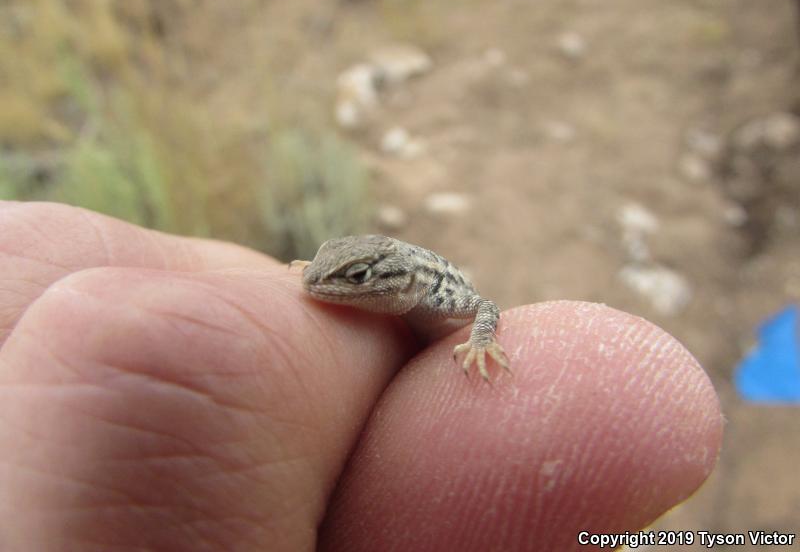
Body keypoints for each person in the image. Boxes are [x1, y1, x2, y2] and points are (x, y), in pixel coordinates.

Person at [0, 202, 722, 551]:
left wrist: (481, 341)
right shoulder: (367, 282)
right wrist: (319, 280)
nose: (325, 285)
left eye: (353, 278)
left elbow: (485, 304)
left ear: (393, 277)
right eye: (326, 270)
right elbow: (326, 278)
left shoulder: (432, 290)